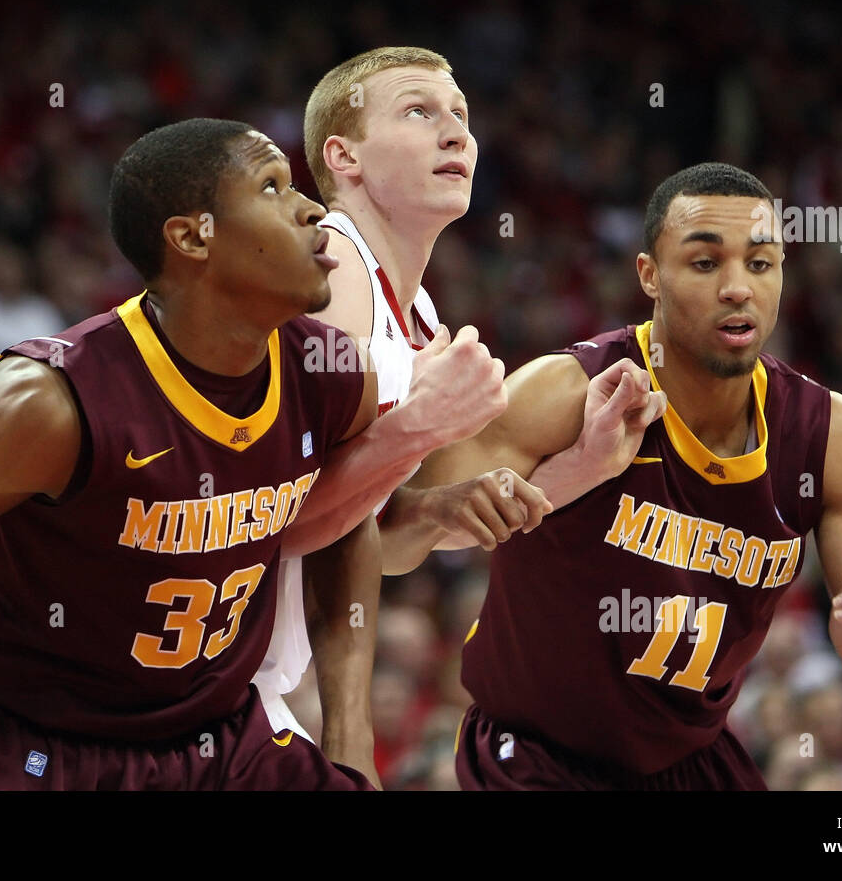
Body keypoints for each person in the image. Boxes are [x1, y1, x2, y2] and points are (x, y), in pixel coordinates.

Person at [0, 118, 509, 791]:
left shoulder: (329, 375)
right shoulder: (48, 405)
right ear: (193, 235)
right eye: (273, 188)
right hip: (34, 751)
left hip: (215, 745)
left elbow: (336, 526)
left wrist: (347, 739)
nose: (312, 210)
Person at [390, 162, 842, 790]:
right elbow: (392, 545)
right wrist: (431, 471)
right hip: (537, 755)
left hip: (690, 761)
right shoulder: (567, 391)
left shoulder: (828, 434)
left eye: (761, 263)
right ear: (649, 274)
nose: (738, 288)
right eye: (705, 263)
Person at [256, 46, 666, 785]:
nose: (456, 134)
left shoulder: (415, 311)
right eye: (420, 111)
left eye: (462, 117)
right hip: (190, 679)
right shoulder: (335, 267)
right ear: (343, 156)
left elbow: (384, 535)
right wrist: (350, 745)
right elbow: (289, 521)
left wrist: (583, 466)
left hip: (248, 683)